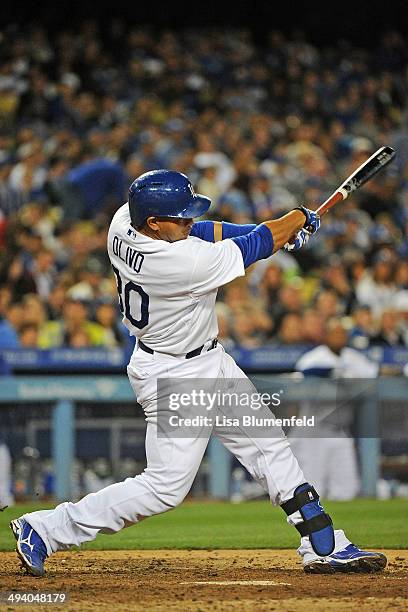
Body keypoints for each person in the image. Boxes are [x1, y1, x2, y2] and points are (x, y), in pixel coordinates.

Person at [11, 170, 386, 577]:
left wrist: (283, 228)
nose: (188, 222)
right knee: (166, 487)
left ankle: (322, 541)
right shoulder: (178, 264)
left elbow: (208, 231)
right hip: (175, 373)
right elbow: (256, 245)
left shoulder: (124, 222)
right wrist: (293, 220)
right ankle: (45, 528)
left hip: (205, 358)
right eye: (180, 217)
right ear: (154, 223)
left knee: (269, 444)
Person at [290, 319, 378, 501]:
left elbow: (374, 375)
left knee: (347, 489)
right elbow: (305, 373)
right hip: (313, 432)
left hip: (340, 431)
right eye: (335, 333)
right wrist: (334, 372)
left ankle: (340, 527)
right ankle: (315, 528)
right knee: (314, 488)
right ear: (326, 335)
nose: (339, 337)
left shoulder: (354, 358)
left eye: (342, 334)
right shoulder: (313, 357)